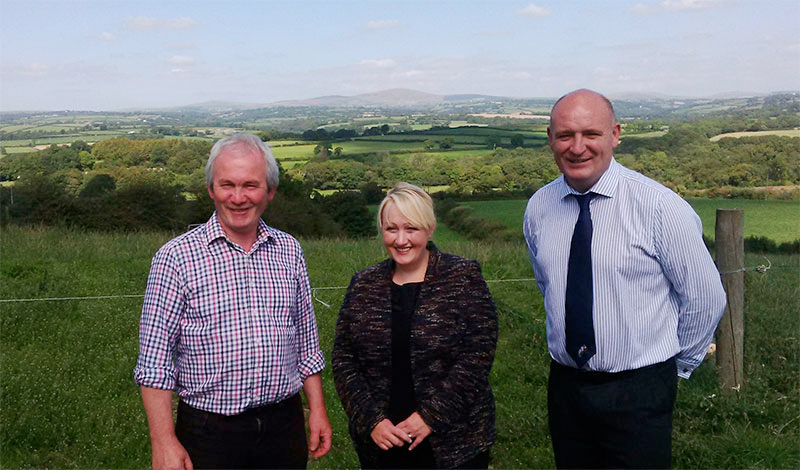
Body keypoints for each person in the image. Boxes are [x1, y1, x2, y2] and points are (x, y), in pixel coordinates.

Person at [523, 89, 727, 469]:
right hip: (567, 386)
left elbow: (705, 298)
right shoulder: (538, 208)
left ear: (615, 134)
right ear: (550, 138)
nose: (577, 147)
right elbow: (549, 284)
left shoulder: (659, 207)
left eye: (591, 134)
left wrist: (674, 368)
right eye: (565, 135)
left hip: (640, 390)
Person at [134, 133, 331, 470]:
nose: (238, 197)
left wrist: (318, 411)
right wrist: (163, 441)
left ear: (270, 191)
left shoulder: (289, 250)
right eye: (227, 185)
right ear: (211, 188)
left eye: (250, 185)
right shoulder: (175, 258)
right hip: (209, 433)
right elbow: (155, 363)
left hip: (284, 425)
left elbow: (306, 343)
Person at [333, 182, 498, 469]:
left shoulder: (462, 276)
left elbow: (477, 356)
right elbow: (344, 358)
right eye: (391, 229)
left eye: (411, 228)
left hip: (454, 442)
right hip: (383, 442)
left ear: (429, 229)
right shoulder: (363, 284)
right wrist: (371, 420)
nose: (400, 240)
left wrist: (430, 418)